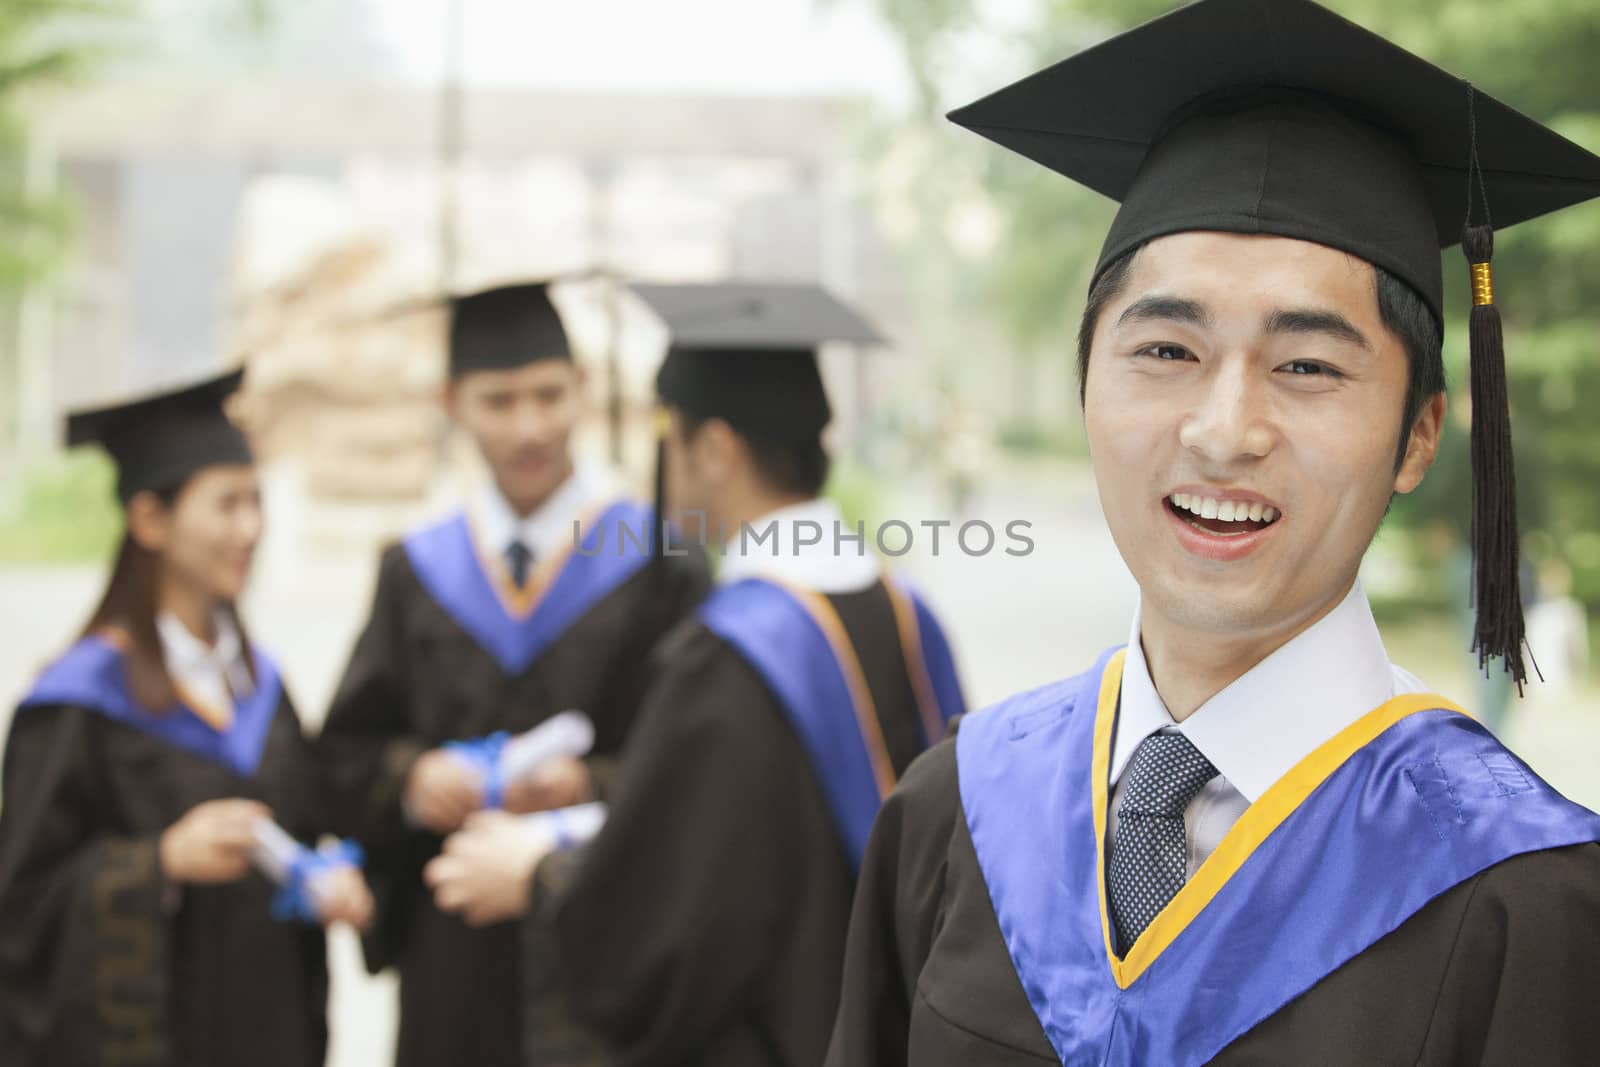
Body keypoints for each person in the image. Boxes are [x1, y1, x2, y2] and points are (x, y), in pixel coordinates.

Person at [826, 1, 1600, 1064]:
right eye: (1164, 351)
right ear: (1084, 381)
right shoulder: (955, 808)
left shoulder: (1525, 894)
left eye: (1306, 366)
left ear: (1419, 436)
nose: (1223, 430)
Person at [424, 282, 967, 1066]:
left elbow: (668, 919)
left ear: (712, 448)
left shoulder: (730, 659)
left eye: (668, 440)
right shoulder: (904, 612)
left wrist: (539, 876)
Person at [315, 280, 710, 1067]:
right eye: (499, 401)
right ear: (452, 401)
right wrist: (412, 778)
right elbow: (343, 753)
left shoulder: (662, 562)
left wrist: (587, 784)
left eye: (549, 395)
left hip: (603, 940)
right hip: (454, 961)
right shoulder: (416, 570)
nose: (530, 426)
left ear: (584, 390)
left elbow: (704, 769)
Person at [0, 371, 373, 1067]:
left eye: (256, 502)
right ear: (150, 520)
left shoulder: (259, 684)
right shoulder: (78, 703)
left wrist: (323, 875)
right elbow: (23, 907)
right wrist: (159, 863)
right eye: (227, 505)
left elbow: (306, 822)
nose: (251, 529)